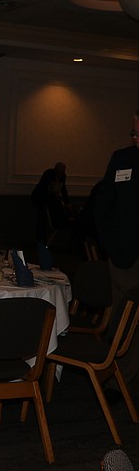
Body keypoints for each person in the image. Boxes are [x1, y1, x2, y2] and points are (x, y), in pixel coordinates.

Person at [96, 110, 139, 387]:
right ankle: (117, 377)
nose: (136, 139)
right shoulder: (122, 159)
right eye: (134, 133)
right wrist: (110, 246)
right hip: (126, 256)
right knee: (125, 319)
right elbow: (103, 207)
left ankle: (123, 377)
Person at [31, 161, 73, 242]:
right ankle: (40, 240)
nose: (60, 174)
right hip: (40, 199)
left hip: (49, 199)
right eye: (59, 172)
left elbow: (63, 190)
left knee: (43, 220)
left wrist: (67, 202)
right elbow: (44, 189)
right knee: (42, 220)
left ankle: (41, 240)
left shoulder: (62, 176)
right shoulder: (49, 174)